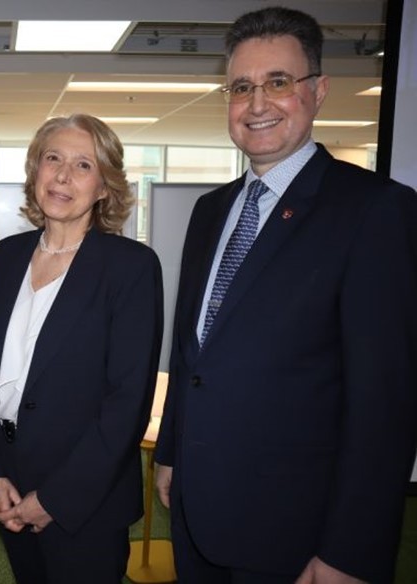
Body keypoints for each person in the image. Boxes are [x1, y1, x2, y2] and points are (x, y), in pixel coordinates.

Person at [154, 6, 417, 583]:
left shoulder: (375, 211)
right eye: (241, 86)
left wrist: (349, 551)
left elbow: (385, 404)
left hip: (297, 530)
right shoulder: (210, 211)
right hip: (198, 508)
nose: (256, 104)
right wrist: (171, 450)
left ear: (318, 91)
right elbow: (192, 352)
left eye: (278, 82)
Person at [0, 114, 164, 584]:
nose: (61, 175)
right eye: (52, 159)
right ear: (35, 170)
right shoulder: (9, 256)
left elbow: (127, 404)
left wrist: (55, 499)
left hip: (85, 498)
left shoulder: (131, 267)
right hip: (11, 483)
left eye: (83, 165)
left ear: (103, 187)